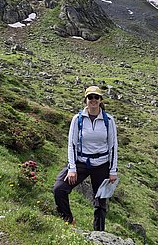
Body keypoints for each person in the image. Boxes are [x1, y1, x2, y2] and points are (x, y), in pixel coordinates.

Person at [53, 85, 118, 231]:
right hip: (81, 162)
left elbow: (113, 147)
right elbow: (71, 145)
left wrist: (112, 170)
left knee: (100, 201)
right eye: (90, 97)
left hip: (102, 164)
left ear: (101, 100)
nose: (93, 100)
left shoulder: (109, 121)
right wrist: (72, 168)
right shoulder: (77, 119)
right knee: (59, 189)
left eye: (96, 97)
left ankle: (99, 233)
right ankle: (67, 220)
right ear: (86, 100)